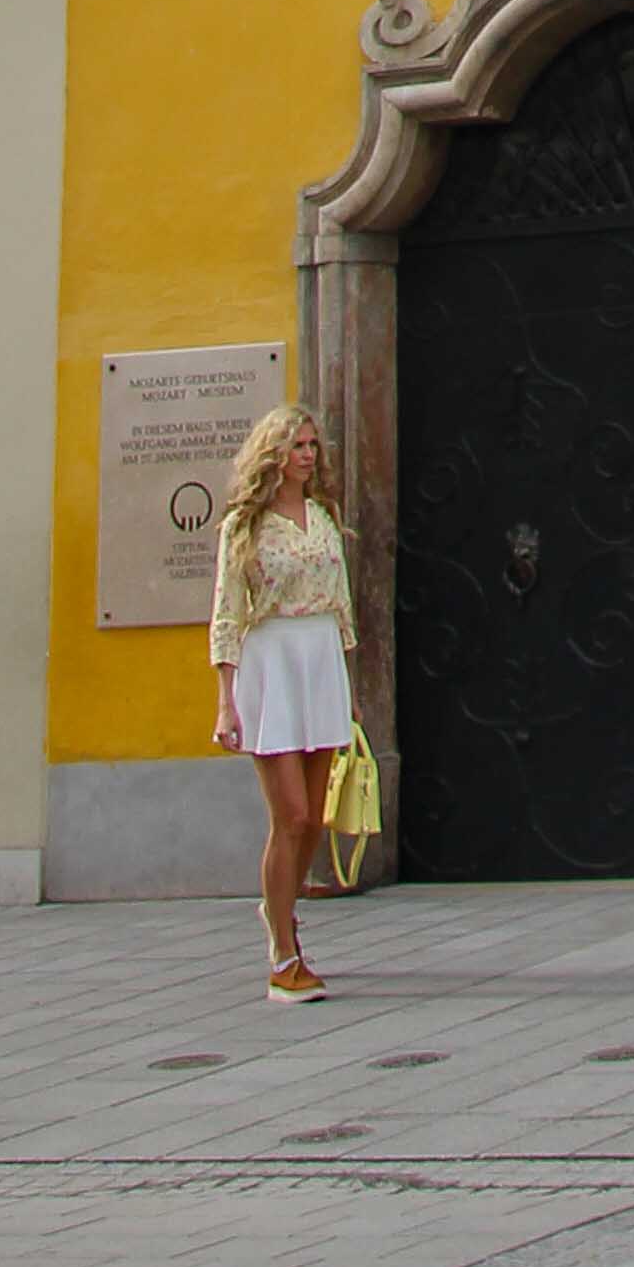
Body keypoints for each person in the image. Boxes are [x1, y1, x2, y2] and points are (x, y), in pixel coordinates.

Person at [207, 403, 355, 1001]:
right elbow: (227, 614)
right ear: (273, 453)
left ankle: (282, 911)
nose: (307, 455)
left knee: (314, 819)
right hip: (271, 661)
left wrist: (348, 686)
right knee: (289, 816)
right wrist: (226, 701)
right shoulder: (244, 527)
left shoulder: (323, 516)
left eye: (313, 445)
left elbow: (342, 603)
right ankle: (282, 952)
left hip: (320, 659)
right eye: (297, 445)